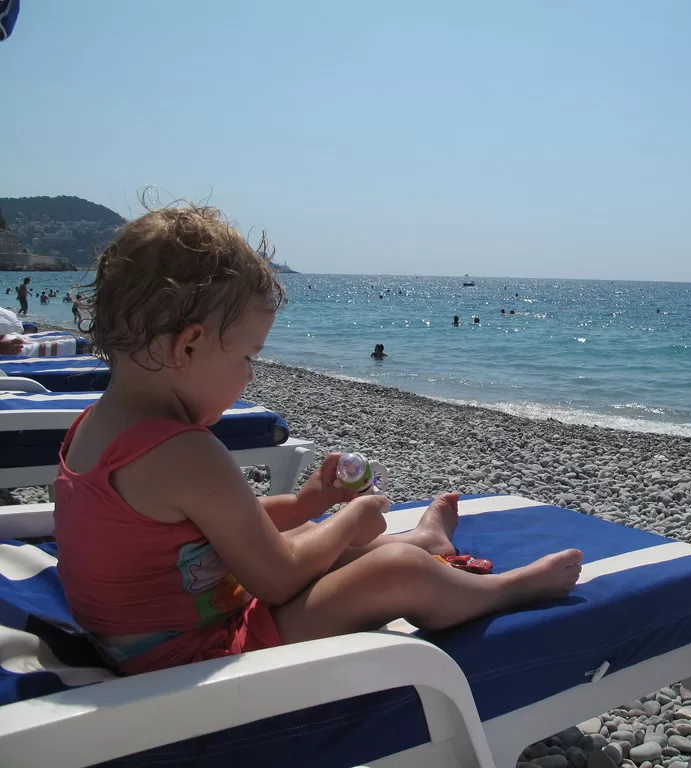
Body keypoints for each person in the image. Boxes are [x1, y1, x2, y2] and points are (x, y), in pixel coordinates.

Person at [53, 204, 582, 676]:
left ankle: (426, 542)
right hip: (198, 660)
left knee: (305, 528)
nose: (250, 376)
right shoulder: (184, 451)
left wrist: (310, 502)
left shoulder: (96, 426)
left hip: (143, 640)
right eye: (247, 357)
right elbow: (278, 582)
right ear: (190, 345)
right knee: (393, 573)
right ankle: (503, 590)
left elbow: (207, 524)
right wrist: (348, 517)